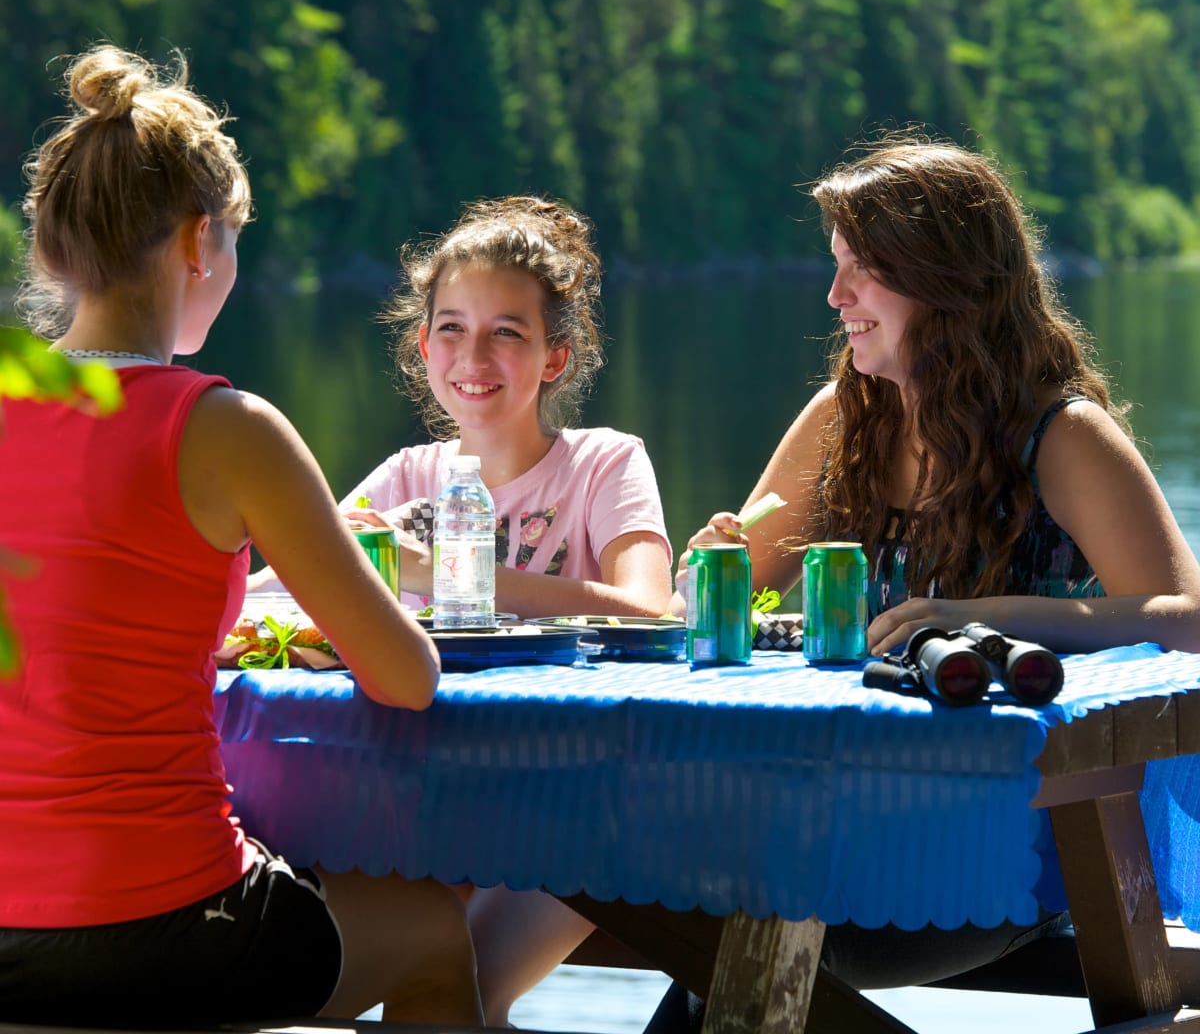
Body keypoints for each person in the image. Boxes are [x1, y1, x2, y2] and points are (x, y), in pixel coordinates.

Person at [648, 133, 1200, 1028]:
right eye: (836, 270)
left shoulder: (1060, 435)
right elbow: (718, 591)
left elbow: (1189, 621)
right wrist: (711, 568)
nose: (836, 299)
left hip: (1020, 842)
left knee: (735, 946)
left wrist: (971, 615)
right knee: (689, 917)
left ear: (943, 281)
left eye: (863, 272)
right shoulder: (843, 419)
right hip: (840, 821)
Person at [0, 45, 484, 1028]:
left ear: (52, 252)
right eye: (235, 243)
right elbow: (406, 677)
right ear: (196, 244)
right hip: (169, 922)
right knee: (434, 929)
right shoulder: (225, 428)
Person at [336, 195, 675, 1025]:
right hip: (428, 801)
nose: (472, 354)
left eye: (507, 332)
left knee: (463, 997)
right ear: (423, 346)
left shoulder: (603, 463)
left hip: (581, 809)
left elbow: (648, 609)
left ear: (555, 357)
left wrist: (454, 574)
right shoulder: (404, 477)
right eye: (451, 328)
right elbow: (284, 591)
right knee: (352, 995)